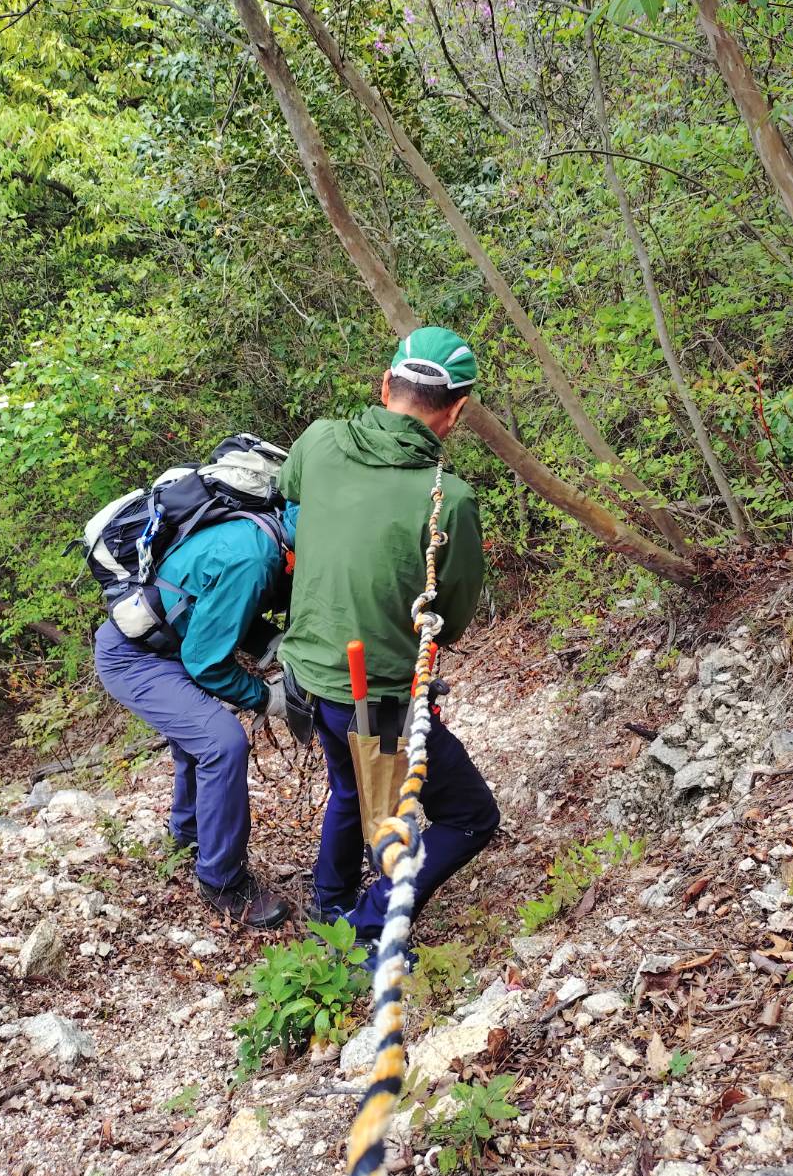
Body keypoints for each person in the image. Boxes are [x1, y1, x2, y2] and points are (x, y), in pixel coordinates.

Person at [278, 326, 500, 943]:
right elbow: (448, 621)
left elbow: (290, 489)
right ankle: (369, 924)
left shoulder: (320, 441)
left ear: (385, 385)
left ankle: (327, 909)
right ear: (455, 412)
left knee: (351, 786)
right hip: (376, 699)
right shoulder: (445, 500)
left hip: (306, 680)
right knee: (469, 816)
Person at [93, 501, 297, 929]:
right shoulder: (257, 555)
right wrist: (266, 698)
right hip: (134, 659)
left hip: (162, 644)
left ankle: (186, 836)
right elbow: (206, 660)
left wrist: (274, 643)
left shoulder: (261, 530)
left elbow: (206, 600)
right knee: (222, 742)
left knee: (196, 740)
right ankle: (222, 881)